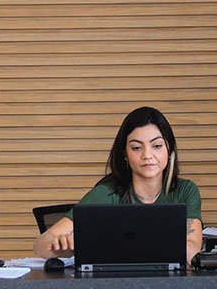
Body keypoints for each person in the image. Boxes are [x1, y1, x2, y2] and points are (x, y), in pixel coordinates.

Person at [33, 106, 203, 263]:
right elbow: (41, 246)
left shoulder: (185, 191)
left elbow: (192, 251)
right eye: (136, 148)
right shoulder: (106, 193)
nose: (147, 155)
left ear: (169, 149)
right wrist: (63, 246)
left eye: (157, 146)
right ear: (125, 154)